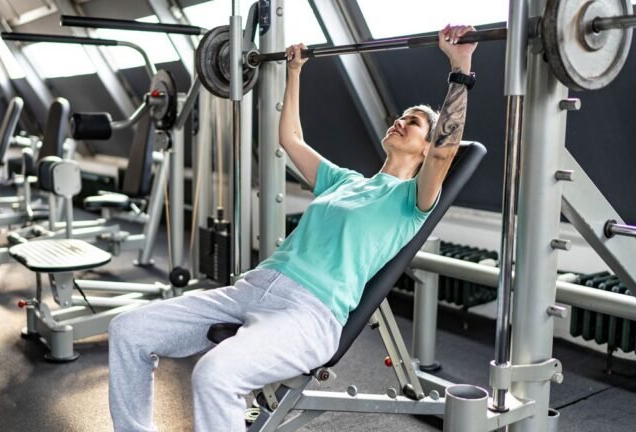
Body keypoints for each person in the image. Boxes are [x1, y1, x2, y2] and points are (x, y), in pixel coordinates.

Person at [108, 24, 478, 432]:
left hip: (309, 313)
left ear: (426, 147)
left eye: (413, 123)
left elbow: (446, 153)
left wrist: (460, 66)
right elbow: (291, 138)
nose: (399, 122)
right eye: (400, 117)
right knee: (128, 330)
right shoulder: (346, 180)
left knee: (215, 375)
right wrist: (294, 72)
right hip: (252, 288)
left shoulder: (411, 201)